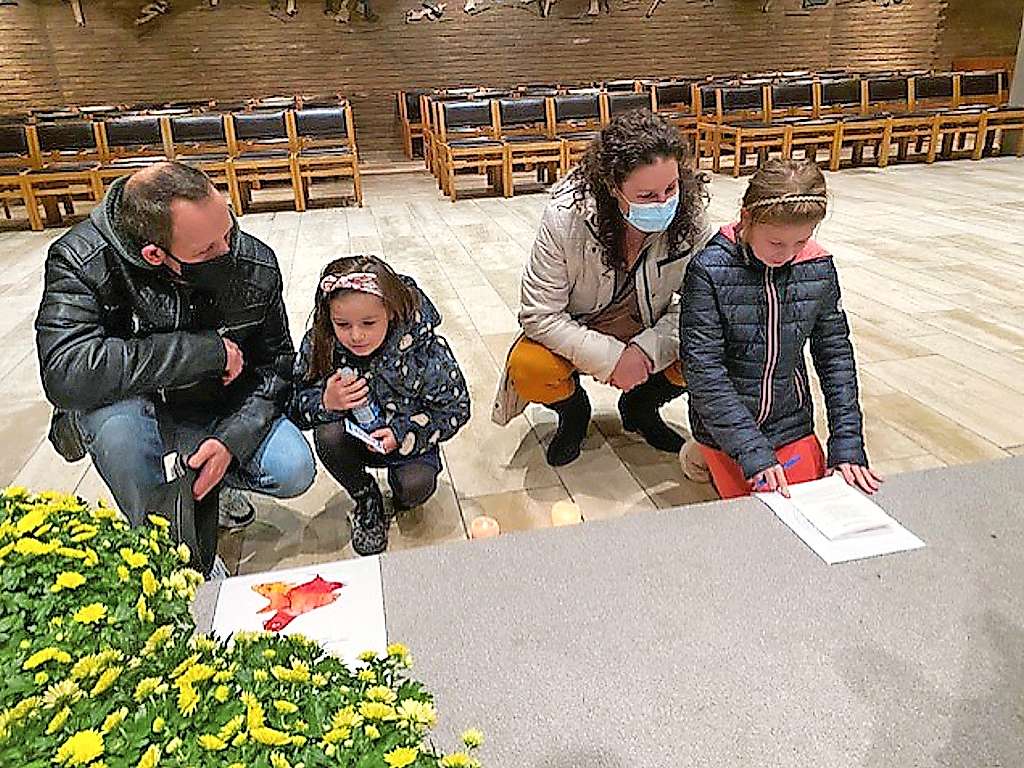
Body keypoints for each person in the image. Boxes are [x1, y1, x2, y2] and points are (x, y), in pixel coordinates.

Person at [35, 161, 316, 576]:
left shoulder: (253, 262)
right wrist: (205, 352)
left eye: (228, 229)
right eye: (206, 250)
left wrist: (229, 442)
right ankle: (167, 549)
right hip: (137, 411)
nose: (229, 251)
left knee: (293, 468)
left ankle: (208, 484)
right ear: (154, 253)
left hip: (213, 405)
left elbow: (276, 369)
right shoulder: (81, 258)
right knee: (115, 424)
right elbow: (67, 371)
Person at [492, 110, 713, 466]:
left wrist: (645, 351)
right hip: (582, 326)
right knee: (530, 365)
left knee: (714, 344)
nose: (663, 204)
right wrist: (612, 360)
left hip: (648, 326)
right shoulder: (566, 216)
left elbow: (702, 306)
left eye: (670, 188)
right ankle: (574, 414)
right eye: (646, 195)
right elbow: (539, 314)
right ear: (613, 187)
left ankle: (642, 407)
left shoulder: (690, 214)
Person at [679, 159, 883, 499]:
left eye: (801, 242)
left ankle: (716, 457)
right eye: (776, 243)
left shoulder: (817, 267)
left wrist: (847, 441)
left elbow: (836, 358)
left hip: (789, 421)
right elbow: (704, 372)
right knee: (757, 510)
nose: (789, 255)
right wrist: (750, 450)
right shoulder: (708, 270)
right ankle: (702, 454)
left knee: (811, 501)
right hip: (724, 423)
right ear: (746, 219)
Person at [291, 255, 470, 556]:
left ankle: (399, 494)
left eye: (369, 323)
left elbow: (457, 408)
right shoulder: (321, 343)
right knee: (327, 434)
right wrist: (325, 401)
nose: (356, 335)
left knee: (415, 487)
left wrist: (404, 433)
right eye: (342, 324)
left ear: (391, 311)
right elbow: (294, 405)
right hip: (353, 441)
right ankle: (366, 498)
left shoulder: (422, 349)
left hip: (410, 443)